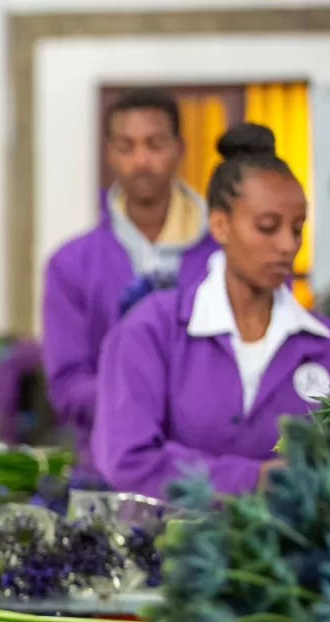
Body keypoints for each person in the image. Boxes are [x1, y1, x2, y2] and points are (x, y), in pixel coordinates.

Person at [93, 124, 330, 500]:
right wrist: (255, 479)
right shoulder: (152, 331)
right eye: (267, 227)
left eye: (297, 229)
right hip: (173, 552)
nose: (288, 245)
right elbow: (129, 461)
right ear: (220, 225)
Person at [42, 88, 218, 476]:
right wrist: (142, 392)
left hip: (213, 472)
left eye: (155, 144)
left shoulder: (223, 258)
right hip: (108, 469)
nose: (141, 160)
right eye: (127, 146)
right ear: (109, 153)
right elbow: (67, 385)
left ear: (179, 149)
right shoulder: (70, 264)